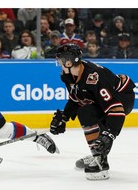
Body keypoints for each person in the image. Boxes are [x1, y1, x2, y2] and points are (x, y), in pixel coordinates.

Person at [50, 43, 135, 180]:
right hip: (110, 99)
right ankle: (97, 155)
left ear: (69, 60)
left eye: (60, 59)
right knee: (86, 111)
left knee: (87, 113)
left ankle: (100, 161)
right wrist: (64, 117)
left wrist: (110, 133)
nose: (58, 62)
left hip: (122, 97)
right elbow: (76, 100)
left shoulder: (94, 76)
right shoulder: (67, 76)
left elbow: (115, 108)